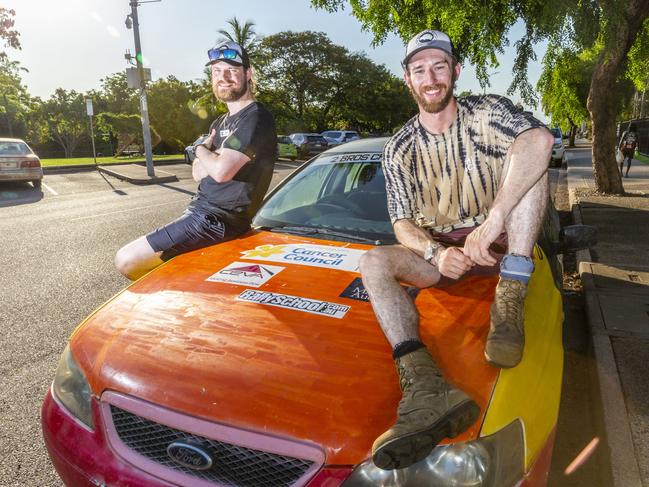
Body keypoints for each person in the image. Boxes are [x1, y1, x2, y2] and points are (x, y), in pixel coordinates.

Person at [359, 30, 553, 470]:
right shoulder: (399, 148)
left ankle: (511, 297)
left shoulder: (486, 112)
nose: (430, 78)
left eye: (439, 66)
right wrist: (434, 254)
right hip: (445, 254)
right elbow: (401, 221)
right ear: (407, 79)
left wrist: (493, 222)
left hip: (501, 249)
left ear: (455, 71)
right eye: (419, 69)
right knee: (372, 260)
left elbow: (540, 142)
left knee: (532, 166)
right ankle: (425, 385)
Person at [115, 41, 277, 280]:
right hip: (199, 214)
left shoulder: (255, 118)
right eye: (216, 71)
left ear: (248, 73)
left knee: (127, 259)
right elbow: (198, 173)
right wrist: (206, 158)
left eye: (231, 69)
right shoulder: (220, 123)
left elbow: (220, 171)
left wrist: (199, 148)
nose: (223, 76)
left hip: (217, 220)